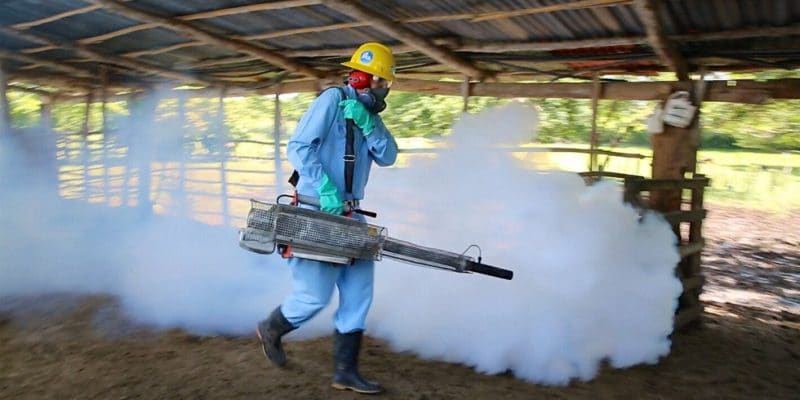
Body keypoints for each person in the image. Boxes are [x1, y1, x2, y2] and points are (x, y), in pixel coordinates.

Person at [256, 42, 398, 395]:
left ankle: (345, 372)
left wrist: (368, 124)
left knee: (358, 296)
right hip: (315, 210)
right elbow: (299, 147)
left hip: (351, 215)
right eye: (382, 83)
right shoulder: (331, 101)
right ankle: (271, 328)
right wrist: (326, 186)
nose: (385, 90)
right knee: (314, 297)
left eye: (386, 84)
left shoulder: (370, 117)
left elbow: (389, 155)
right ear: (363, 78)